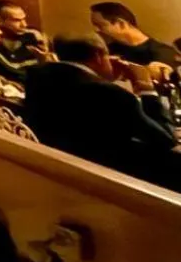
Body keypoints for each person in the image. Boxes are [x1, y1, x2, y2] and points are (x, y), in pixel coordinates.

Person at [23, 35, 181, 190]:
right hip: (115, 180)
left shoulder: (38, 75)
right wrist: (147, 89)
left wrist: (103, 76)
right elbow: (166, 139)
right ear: (98, 55)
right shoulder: (111, 93)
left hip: (55, 169)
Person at [90, 2, 180, 71]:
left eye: (100, 26)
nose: (97, 31)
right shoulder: (108, 50)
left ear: (121, 24)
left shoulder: (163, 52)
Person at [0, 0, 49, 84]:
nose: (24, 25)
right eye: (17, 20)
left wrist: (43, 59)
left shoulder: (34, 36)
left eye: (24, 19)